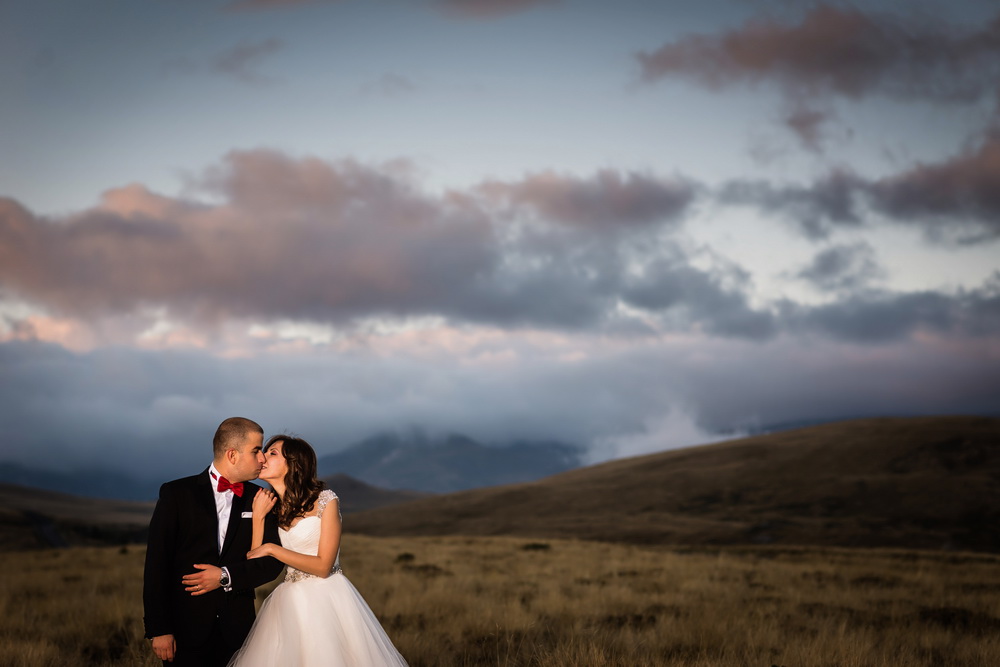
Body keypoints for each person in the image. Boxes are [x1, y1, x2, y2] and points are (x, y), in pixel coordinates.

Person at [227, 434, 408, 666]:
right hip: (288, 603)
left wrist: (272, 549)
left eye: (272, 453)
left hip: (326, 598)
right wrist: (259, 518)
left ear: (294, 464)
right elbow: (254, 559)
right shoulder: (270, 506)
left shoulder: (326, 500)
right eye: (264, 451)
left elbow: (323, 566)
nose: (262, 458)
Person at [143, 417, 285, 666]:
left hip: (239, 632)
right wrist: (159, 629)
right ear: (232, 455)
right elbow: (157, 564)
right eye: (256, 451)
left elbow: (271, 565)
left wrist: (224, 575)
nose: (262, 458)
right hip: (184, 631)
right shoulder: (177, 494)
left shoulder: (262, 498)